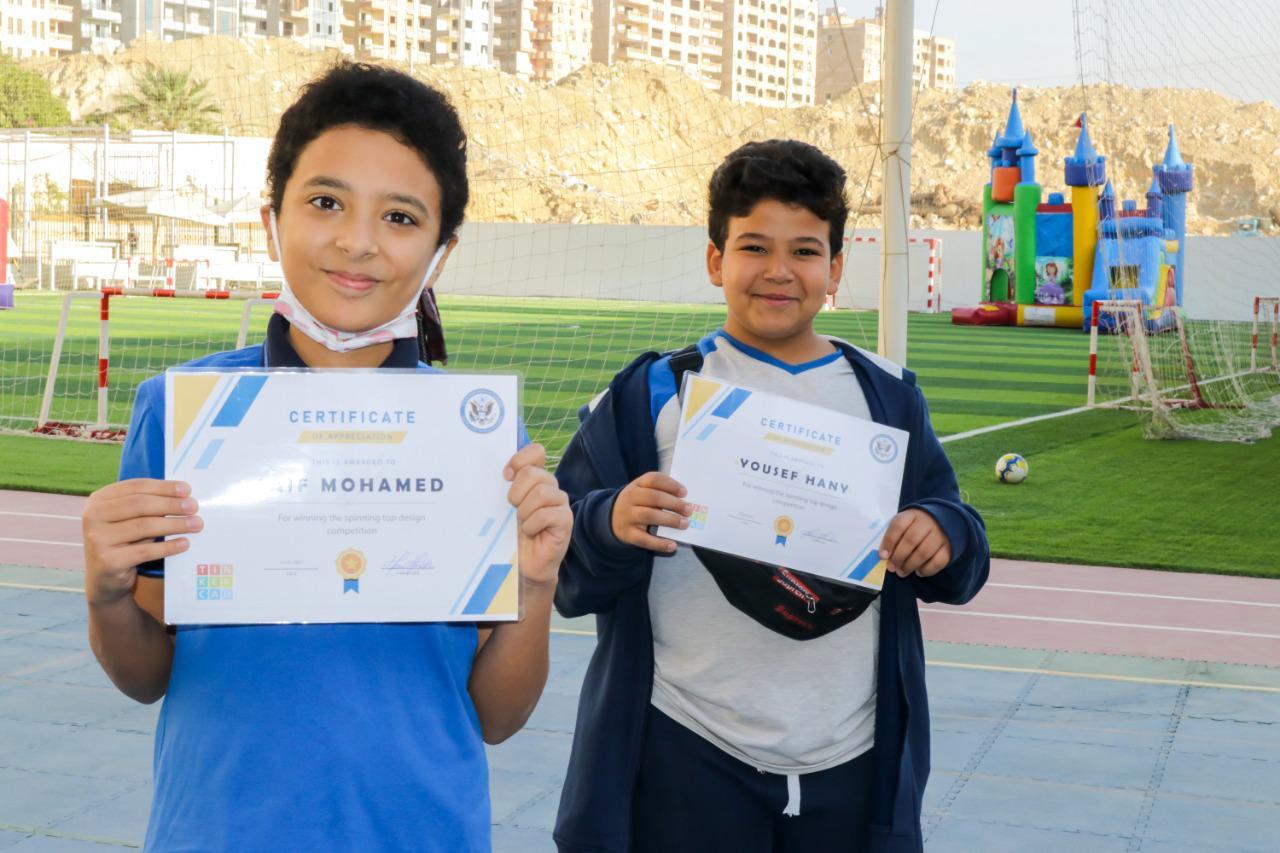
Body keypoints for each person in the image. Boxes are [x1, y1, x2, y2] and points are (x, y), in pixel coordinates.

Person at [80, 63, 572, 851]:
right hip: (219, 830)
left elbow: (498, 716)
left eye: (402, 217)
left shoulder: (480, 442)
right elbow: (145, 674)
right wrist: (106, 591)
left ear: (441, 252)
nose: (357, 241)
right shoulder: (182, 414)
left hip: (424, 832)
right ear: (270, 217)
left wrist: (538, 582)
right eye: (325, 202)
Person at [552, 139, 989, 853]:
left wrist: (943, 533)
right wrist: (608, 519)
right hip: (685, 746)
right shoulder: (650, 395)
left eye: (806, 251)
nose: (780, 272)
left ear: (836, 268)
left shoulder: (888, 396)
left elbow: (960, 546)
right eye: (754, 247)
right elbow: (565, 568)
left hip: (850, 758)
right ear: (715, 260)